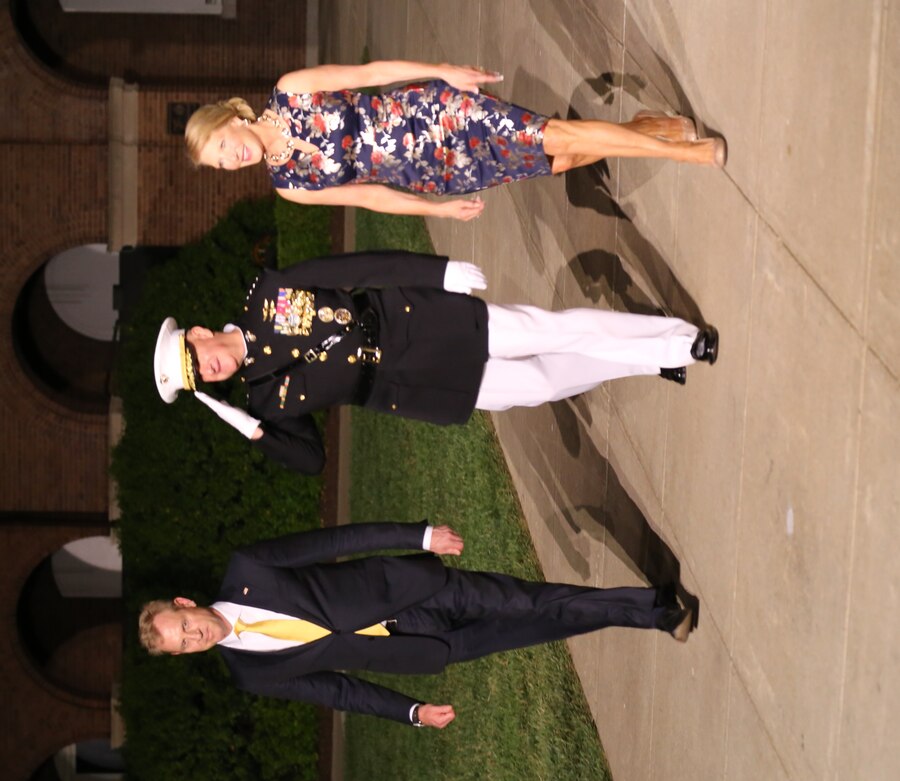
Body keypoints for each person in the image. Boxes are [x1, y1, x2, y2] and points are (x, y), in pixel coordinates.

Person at [153, 251, 718, 474]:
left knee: (552, 329)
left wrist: (435, 272)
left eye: (197, 359)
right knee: (541, 383)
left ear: (200, 333)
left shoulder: (266, 294)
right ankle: (647, 362)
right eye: (200, 379)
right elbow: (311, 460)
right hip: (411, 384)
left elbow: (355, 269)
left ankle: (676, 343)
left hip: (415, 322)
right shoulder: (263, 399)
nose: (210, 371)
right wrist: (252, 431)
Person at [139, 520, 693, 726]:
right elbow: (338, 692)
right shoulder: (250, 675)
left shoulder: (248, 567)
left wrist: (417, 536)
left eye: (182, 625)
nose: (194, 636)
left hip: (412, 590)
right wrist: (410, 712)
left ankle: (655, 608)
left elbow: (332, 543)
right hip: (419, 649)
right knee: (535, 625)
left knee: (528, 601)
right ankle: (641, 609)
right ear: (185, 654)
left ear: (184, 603)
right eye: (183, 645)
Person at [184, 60, 726, 221]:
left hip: (439, 115)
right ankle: (646, 129)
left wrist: (441, 71)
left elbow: (369, 72)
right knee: (557, 159)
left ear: (230, 120)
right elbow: (369, 195)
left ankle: (685, 152)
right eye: (222, 166)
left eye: (222, 147)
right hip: (435, 171)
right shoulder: (289, 185)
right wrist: (436, 213)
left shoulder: (292, 92)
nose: (232, 159)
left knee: (550, 134)